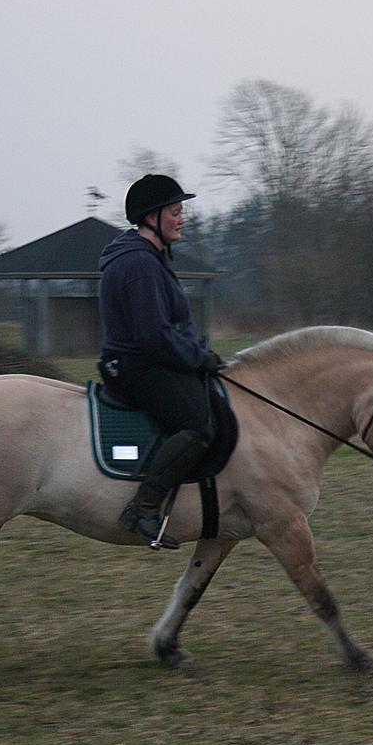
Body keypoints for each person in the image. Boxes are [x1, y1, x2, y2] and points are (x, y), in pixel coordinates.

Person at [97, 174, 221, 549]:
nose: (182, 218)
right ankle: (144, 508)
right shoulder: (140, 265)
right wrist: (199, 358)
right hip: (138, 365)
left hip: (145, 360)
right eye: (175, 211)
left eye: (181, 211)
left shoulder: (149, 258)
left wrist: (198, 353)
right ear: (151, 217)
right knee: (198, 427)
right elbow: (153, 335)